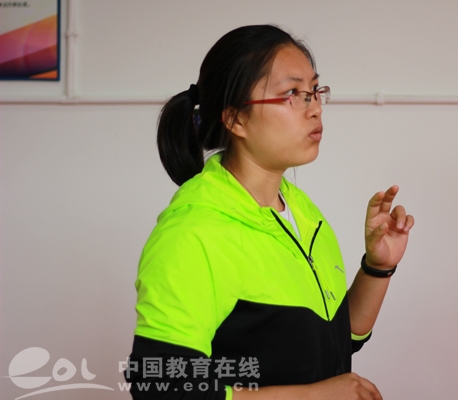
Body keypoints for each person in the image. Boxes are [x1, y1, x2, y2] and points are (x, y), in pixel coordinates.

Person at [125, 24, 414, 400]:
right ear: (235, 119)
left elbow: (333, 341)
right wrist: (312, 397)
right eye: (292, 94)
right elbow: (159, 385)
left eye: (314, 91)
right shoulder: (193, 233)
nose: (314, 108)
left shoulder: (301, 211)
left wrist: (378, 267)